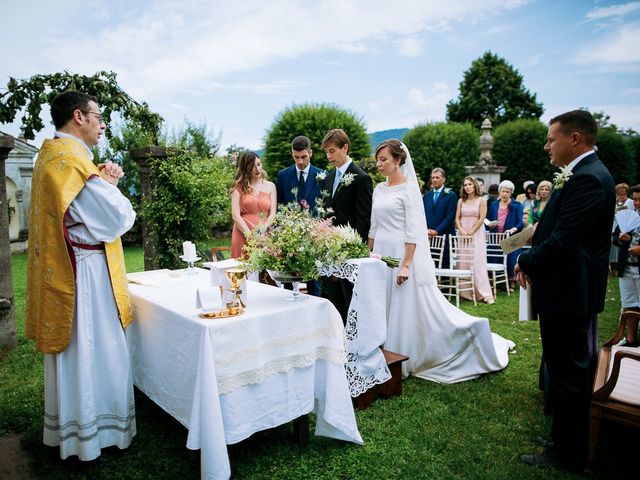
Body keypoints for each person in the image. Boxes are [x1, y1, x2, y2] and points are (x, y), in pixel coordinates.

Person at [25, 91, 136, 460]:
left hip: (69, 267)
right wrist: (112, 187)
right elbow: (115, 220)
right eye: (98, 116)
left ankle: (70, 432)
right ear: (79, 116)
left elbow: (77, 207)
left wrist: (99, 180)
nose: (102, 124)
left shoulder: (50, 155)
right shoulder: (73, 162)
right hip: (85, 276)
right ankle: (93, 435)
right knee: (95, 349)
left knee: (75, 353)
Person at [516, 110, 615, 470]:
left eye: (551, 138)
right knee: (560, 369)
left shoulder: (589, 178)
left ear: (575, 139)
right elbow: (555, 228)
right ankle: (562, 436)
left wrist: (527, 260)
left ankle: (569, 452)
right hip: (564, 289)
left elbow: (564, 240)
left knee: (570, 373)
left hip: (570, 291)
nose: (546, 146)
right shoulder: (580, 174)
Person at [368, 139, 513, 382]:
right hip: (380, 252)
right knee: (383, 301)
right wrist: (368, 253)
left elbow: (414, 230)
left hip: (402, 252)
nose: (379, 164)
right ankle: (381, 349)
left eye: (383, 159)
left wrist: (406, 264)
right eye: (377, 160)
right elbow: (373, 226)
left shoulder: (408, 190)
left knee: (401, 304)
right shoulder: (378, 189)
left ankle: (403, 353)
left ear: (398, 160)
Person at [321, 128, 373, 321]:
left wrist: (353, 253)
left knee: (351, 304)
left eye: (332, 151)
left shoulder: (362, 179)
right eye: (326, 152)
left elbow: (363, 220)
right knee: (333, 304)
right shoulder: (327, 178)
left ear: (345, 148)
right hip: (327, 252)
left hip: (349, 253)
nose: (328, 156)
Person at [275, 135, 323, 295]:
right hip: (289, 235)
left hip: (314, 235)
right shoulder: (283, 176)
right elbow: (279, 206)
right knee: (288, 277)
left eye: (303, 157)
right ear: (292, 154)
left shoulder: (322, 175)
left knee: (314, 279)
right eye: (296, 157)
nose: (300, 161)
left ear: (311, 153)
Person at [454, 176, 494, 304]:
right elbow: (456, 219)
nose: (467, 187)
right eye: (465, 185)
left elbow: (482, 218)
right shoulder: (461, 201)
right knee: (463, 261)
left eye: (469, 184)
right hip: (463, 234)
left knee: (477, 261)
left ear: (474, 186)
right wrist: (462, 231)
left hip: (476, 234)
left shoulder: (481, 200)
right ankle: (464, 292)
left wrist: (471, 231)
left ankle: (484, 293)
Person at [230, 151, 277, 259]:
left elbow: (272, 213)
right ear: (246, 168)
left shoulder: (270, 186)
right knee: (242, 269)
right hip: (242, 232)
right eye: (252, 166)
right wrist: (250, 236)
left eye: (259, 164)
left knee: (264, 269)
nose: (257, 168)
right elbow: (235, 215)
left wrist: (263, 229)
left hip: (264, 232)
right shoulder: (238, 187)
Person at [611, 183, 640, 346]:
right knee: (629, 303)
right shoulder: (628, 215)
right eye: (635, 200)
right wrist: (620, 239)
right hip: (626, 267)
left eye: (639, 200)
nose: (637, 203)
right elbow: (614, 238)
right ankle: (630, 338)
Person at [487, 180, 523, 285]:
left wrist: (513, 229)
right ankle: (498, 280)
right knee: (493, 256)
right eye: (503, 191)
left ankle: (511, 281)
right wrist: (489, 224)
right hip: (496, 236)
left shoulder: (517, 205)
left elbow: (520, 222)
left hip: (510, 237)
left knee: (511, 258)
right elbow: (487, 219)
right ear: (499, 192)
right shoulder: (493, 204)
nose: (505, 194)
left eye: (508, 192)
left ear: (511, 193)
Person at [423, 167, 457, 268]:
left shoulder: (451, 195)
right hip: (428, 235)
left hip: (445, 235)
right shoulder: (427, 196)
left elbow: (450, 216)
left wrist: (437, 231)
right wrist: (427, 230)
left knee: (444, 264)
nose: (434, 180)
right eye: (432, 178)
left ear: (444, 179)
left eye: (437, 177)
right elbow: (423, 215)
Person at [610, 183, 635, 274]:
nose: (621, 196)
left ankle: (619, 267)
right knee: (612, 247)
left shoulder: (630, 202)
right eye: (619, 194)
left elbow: (633, 214)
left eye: (623, 194)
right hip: (613, 226)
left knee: (621, 247)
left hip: (624, 228)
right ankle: (612, 268)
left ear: (626, 193)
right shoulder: (613, 201)